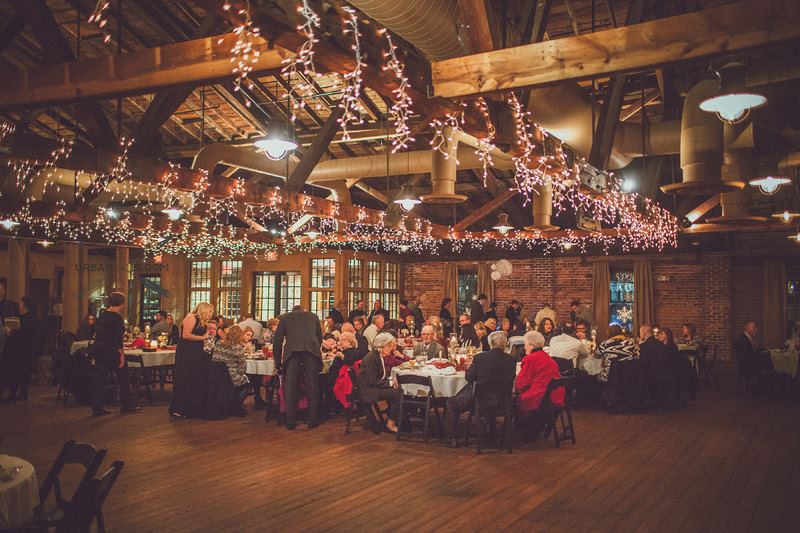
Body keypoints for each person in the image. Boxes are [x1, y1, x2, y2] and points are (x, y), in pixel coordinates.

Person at [441, 331, 516, 448]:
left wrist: (471, 370)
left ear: (490, 344)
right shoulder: (511, 360)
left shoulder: (480, 358)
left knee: (451, 403)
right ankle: (491, 434)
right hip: (503, 401)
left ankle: (450, 438)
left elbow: (469, 377)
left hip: (481, 400)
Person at [89, 292, 141, 416]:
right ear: (121, 303)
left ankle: (96, 407)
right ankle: (126, 405)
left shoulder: (103, 314)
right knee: (123, 377)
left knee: (100, 379)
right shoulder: (116, 318)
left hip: (99, 349)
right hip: (111, 351)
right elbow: (117, 339)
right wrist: (121, 355)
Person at [272, 305, 323, 430]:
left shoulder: (285, 318)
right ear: (303, 310)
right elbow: (319, 337)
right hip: (311, 352)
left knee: (291, 386)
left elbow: (277, 340)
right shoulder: (313, 316)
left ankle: (290, 421)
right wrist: (314, 348)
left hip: (292, 352)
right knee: (312, 385)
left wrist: (278, 362)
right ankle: (312, 419)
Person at [169, 302, 214, 419]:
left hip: (197, 351)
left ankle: (192, 409)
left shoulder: (202, 321)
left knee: (195, 378)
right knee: (185, 378)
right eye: (209, 312)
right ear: (203, 310)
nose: (210, 314)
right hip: (187, 352)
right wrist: (202, 337)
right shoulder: (191, 317)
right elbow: (186, 335)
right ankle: (179, 409)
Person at [515, 330, 564, 437]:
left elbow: (521, 384)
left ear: (531, 346)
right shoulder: (548, 358)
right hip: (556, 395)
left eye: (525, 345)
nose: (524, 347)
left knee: (514, 400)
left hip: (542, 398)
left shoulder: (530, 359)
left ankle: (520, 428)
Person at [358, 332, 401, 433]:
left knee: (399, 390)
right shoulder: (371, 358)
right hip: (368, 390)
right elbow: (372, 381)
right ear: (383, 346)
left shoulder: (378, 356)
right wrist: (390, 383)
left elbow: (380, 376)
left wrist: (390, 381)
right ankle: (390, 424)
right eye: (390, 346)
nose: (392, 349)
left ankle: (397, 419)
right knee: (397, 393)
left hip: (373, 387)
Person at [1, 297, 40, 402]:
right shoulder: (31, 318)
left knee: (14, 371)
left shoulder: (26, 319)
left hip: (20, 350)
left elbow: (23, 334)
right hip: (26, 350)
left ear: (24, 306)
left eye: (20, 304)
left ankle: (13, 394)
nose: (19, 305)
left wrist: (10, 332)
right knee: (22, 372)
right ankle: (22, 393)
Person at [211, 324, 249, 416]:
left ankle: (229, 404)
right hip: (230, 375)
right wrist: (241, 374)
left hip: (215, 374)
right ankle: (236, 406)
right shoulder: (237, 347)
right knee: (246, 382)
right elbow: (242, 365)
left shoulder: (218, 343)